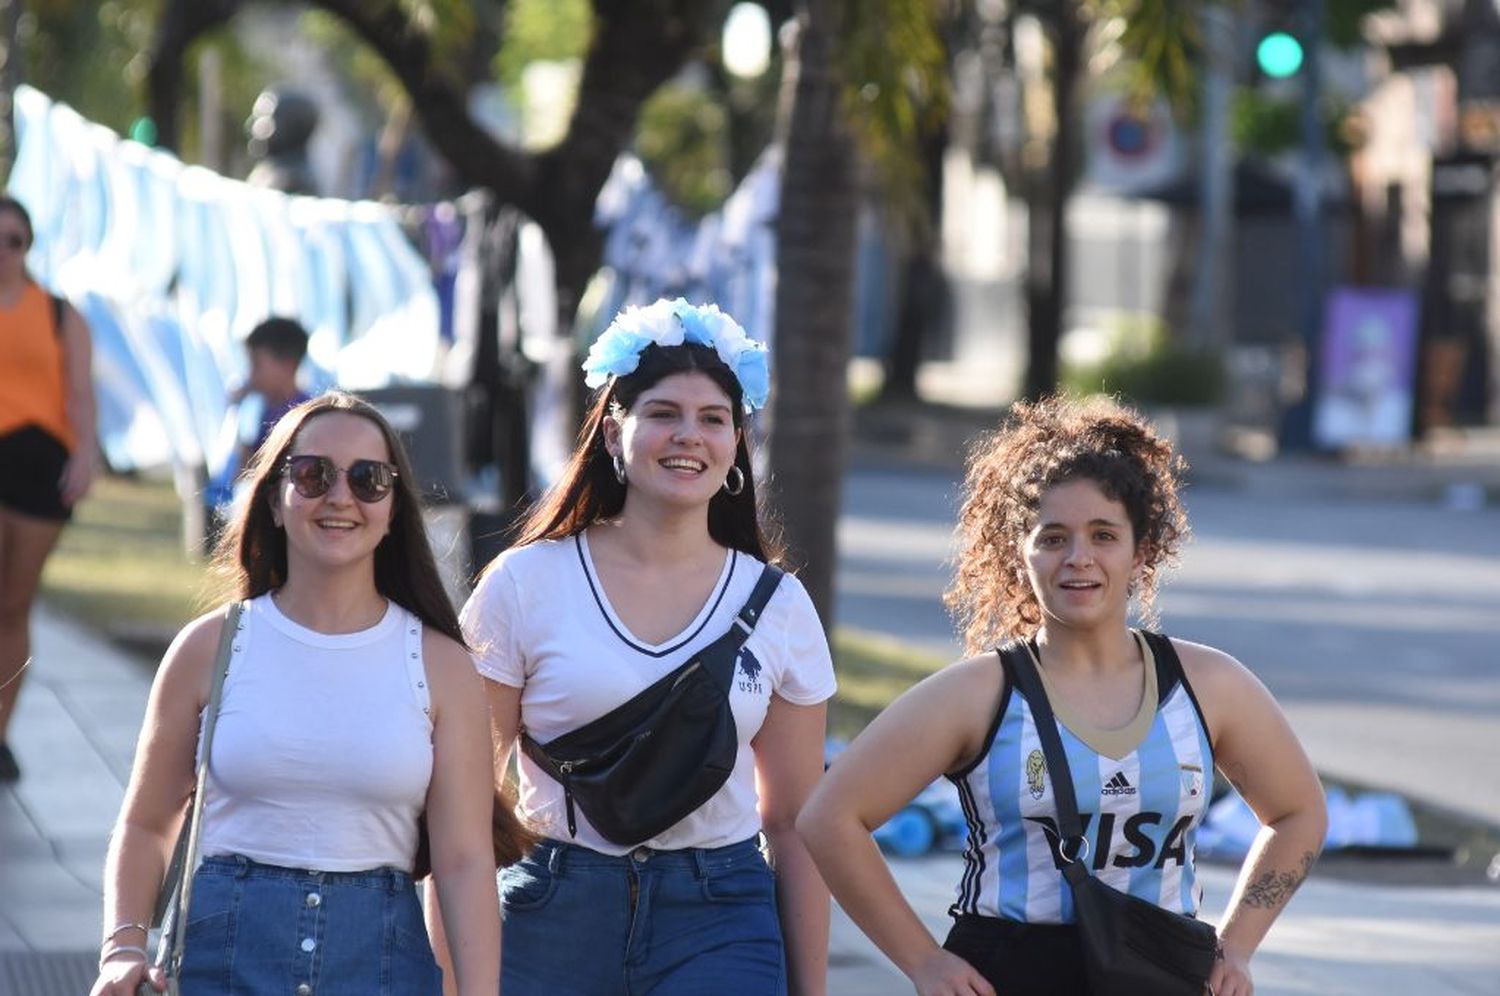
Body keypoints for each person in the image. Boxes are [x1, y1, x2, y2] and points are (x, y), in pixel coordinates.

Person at [797, 395, 1328, 996]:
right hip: (1012, 969)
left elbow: (1300, 813)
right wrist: (923, 961)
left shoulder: (1210, 685)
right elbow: (828, 817)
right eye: (1053, 538)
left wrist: (1236, 945)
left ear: (1142, 550)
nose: (1079, 558)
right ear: (1019, 554)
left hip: (1159, 971)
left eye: (1104, 535)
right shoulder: (976, 694)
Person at [431, 298, 835, 995]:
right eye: (663, 414)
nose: (689, 436)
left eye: (714, 419)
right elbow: (463, 806)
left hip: (722, 915)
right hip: (551, 908)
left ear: (738, 443)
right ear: (615, 435)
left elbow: (795, 825)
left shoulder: (779, 605)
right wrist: (451, 979)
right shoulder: (526, 584)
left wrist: (811, 988)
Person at [90, 392, 513, 996]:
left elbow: (464, 862)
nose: (339, 497)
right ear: (274, 500)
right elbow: (147, 823)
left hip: (380, 968)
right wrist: (122, 950)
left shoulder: (441, 666)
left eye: (368, 480)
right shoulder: (209, 648)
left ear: (393, 510)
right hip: (220, 967)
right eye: (313, 475)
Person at [0, 194, 97, 782]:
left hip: (39, 469)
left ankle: (2, 729)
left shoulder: (60, 314)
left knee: (14, 605)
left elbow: (82, 396)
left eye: (15, 240)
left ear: (28, 247)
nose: (4, 252)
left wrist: (86, 454)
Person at [234, 315, 311, 464]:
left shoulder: (307, 417)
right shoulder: (258, 410)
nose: (251, 375)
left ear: (288, 366)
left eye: (256, 365)